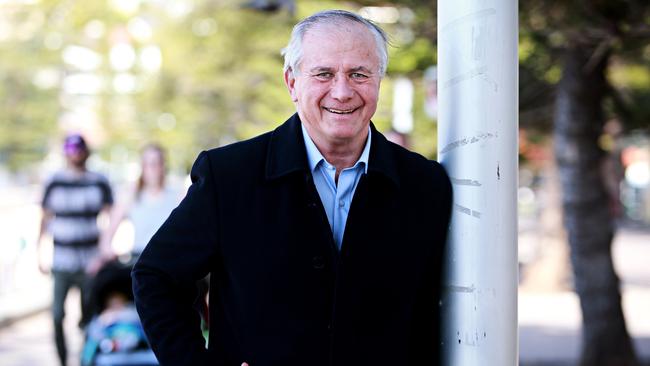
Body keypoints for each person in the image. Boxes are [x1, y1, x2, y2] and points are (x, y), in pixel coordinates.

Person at [132, 9, 452, 366]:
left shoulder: (426, 185)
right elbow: (156, 277)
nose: (342, 92)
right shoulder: (228, 176)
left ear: (379, 80)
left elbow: (434, 310)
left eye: (359, 74)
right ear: (292, 82)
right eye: (324, 74)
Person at [37, 133, 113, 366]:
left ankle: (85, 359)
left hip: (90, 262)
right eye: (70, 150)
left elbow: (112, 217)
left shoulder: (99, 181)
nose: (75, 154)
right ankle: (62, 360)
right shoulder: (54, 181)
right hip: (61, 261)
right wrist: (39, 252)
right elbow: (45, 218)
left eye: (79, 149)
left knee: (89, 317)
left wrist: (105, 252)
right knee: (57, 315)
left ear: (86, 152)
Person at [94, 143, 181, 267]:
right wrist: (108, 250)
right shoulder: (131, 196)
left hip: (169, 262)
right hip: (140, 261)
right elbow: (108, 233)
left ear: (163, 166)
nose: (152, 169)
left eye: (156, 163)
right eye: (147, 164)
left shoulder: (176, 196)